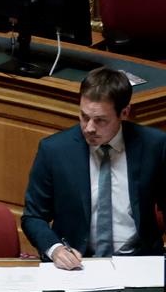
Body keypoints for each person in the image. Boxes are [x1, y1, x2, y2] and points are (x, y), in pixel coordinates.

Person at [22, 66, 166, 269]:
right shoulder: (54, 150)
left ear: (124, 113)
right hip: (78, 263)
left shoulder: (155, 145)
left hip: (139, 261)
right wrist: (55, 249)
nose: (89, 127)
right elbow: (33, 217)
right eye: (84, 116)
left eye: (100, 120)